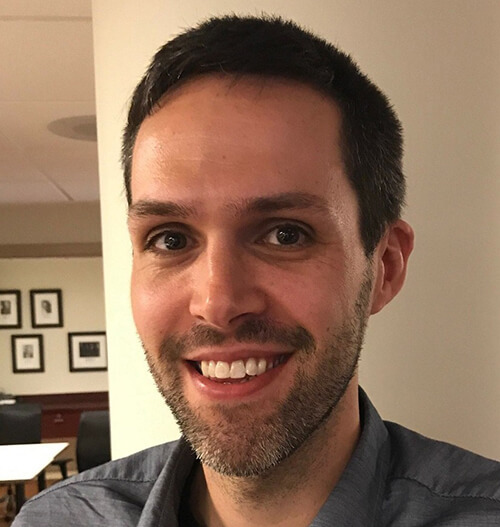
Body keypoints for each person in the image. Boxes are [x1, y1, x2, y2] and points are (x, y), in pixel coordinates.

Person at [14, 14, 500, 527]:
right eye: (170, 239)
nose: (217, 303)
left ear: (384, 266)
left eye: (285, 234)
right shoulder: (57, 520)